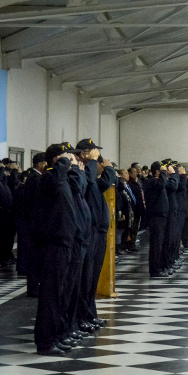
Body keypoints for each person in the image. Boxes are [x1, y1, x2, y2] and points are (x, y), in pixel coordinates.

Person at [33, 143, 80, 356]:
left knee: (61, 293)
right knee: (51, 295)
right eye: (65, 156)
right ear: (55, 160)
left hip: (65, 242)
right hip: (53, 243)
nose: (70, 158)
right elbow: (53, 183)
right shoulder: (49, 177)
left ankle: (57, 334)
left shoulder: (63, 177)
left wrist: (74, 167)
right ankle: (45, 341)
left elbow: (80, 186)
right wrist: (63, 162)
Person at [75, 139, 116, 332]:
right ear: (83, 155)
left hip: (98, 231)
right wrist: (91, 162)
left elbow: (106, 182)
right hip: (88, 232)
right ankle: (82, 317)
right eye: (94, 156)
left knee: (92, 278)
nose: (98, 161)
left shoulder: (92, 178)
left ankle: (90, 314)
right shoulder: (82, 175)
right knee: (85, 278)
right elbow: (90, 179)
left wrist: (108, 168)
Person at [16, 152, 47, 297]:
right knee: (34, 258)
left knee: (36, 258)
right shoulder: (35, 179)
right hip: (33, 224)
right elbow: (34, 203)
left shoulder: (36, 177)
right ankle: (33, 287)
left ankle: (36, 285)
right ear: (40, 164)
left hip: (34, 223)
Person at [145, 161, 175, 278]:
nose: (165, 173)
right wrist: (163, 172)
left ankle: (160, 267)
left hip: (162, 216)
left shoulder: (158, 182)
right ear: (157, 172)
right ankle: (155, 271)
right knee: (156, 245)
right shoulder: (152, 182)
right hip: (155, 216)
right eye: (162, 171)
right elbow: (162, 184)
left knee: (160, 244)